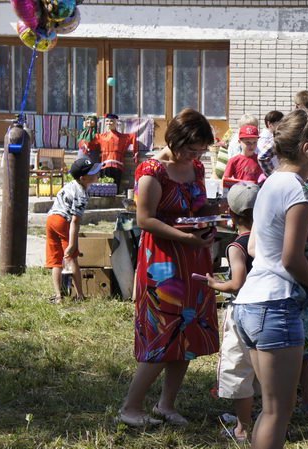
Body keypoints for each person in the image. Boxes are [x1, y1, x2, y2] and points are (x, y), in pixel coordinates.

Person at [234, 109, 308, 449]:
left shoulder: (271, 183)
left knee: (270, 408)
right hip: (276, 306)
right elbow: (292, 259)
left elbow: (253, 245)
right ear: (307, 149)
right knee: (279, 410)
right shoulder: (298, 192)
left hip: (251, 303)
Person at [118, 108, 220, 427]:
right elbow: (145, 219)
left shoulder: (197, 168)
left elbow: (196, 204)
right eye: (192, 149)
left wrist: (212, 215)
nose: (196, 155)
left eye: (201, 150)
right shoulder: (151, 170)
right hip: (162, 262)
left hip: (193, 259)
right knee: (163, 336)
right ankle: (131, 408)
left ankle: (166, 405)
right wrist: (186, 239)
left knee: (186, 334)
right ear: (176, 140)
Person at [207, 183, 259, 443]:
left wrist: (216, 284)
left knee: (239, 370)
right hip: (267, 308)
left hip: (242, 311)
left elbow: (238, 281)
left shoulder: (237, 246)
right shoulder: (270, 239)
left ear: (231, 214)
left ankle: (242, 427)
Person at [44, 157, 101, 303]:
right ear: (83, 178)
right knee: (72, 258)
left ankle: (58, 296)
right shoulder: (81, 194)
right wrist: (72, 244)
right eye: (93, 172)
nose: (97, 173)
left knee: (56, 261)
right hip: (63, 221)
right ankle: (80, 295)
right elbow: (75, 221)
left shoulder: (71, 184)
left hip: (51, 220)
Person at [97, 113, 137, 193]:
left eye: (111, 121)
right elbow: (90, 142)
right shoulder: (101, 136)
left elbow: (133, 136)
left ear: (116, 123)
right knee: (104, 185)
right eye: (107, 121)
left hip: (117, 164)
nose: (109, 123)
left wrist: (135, 152)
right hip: (105, 164)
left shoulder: (121, 137)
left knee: (116, 186)